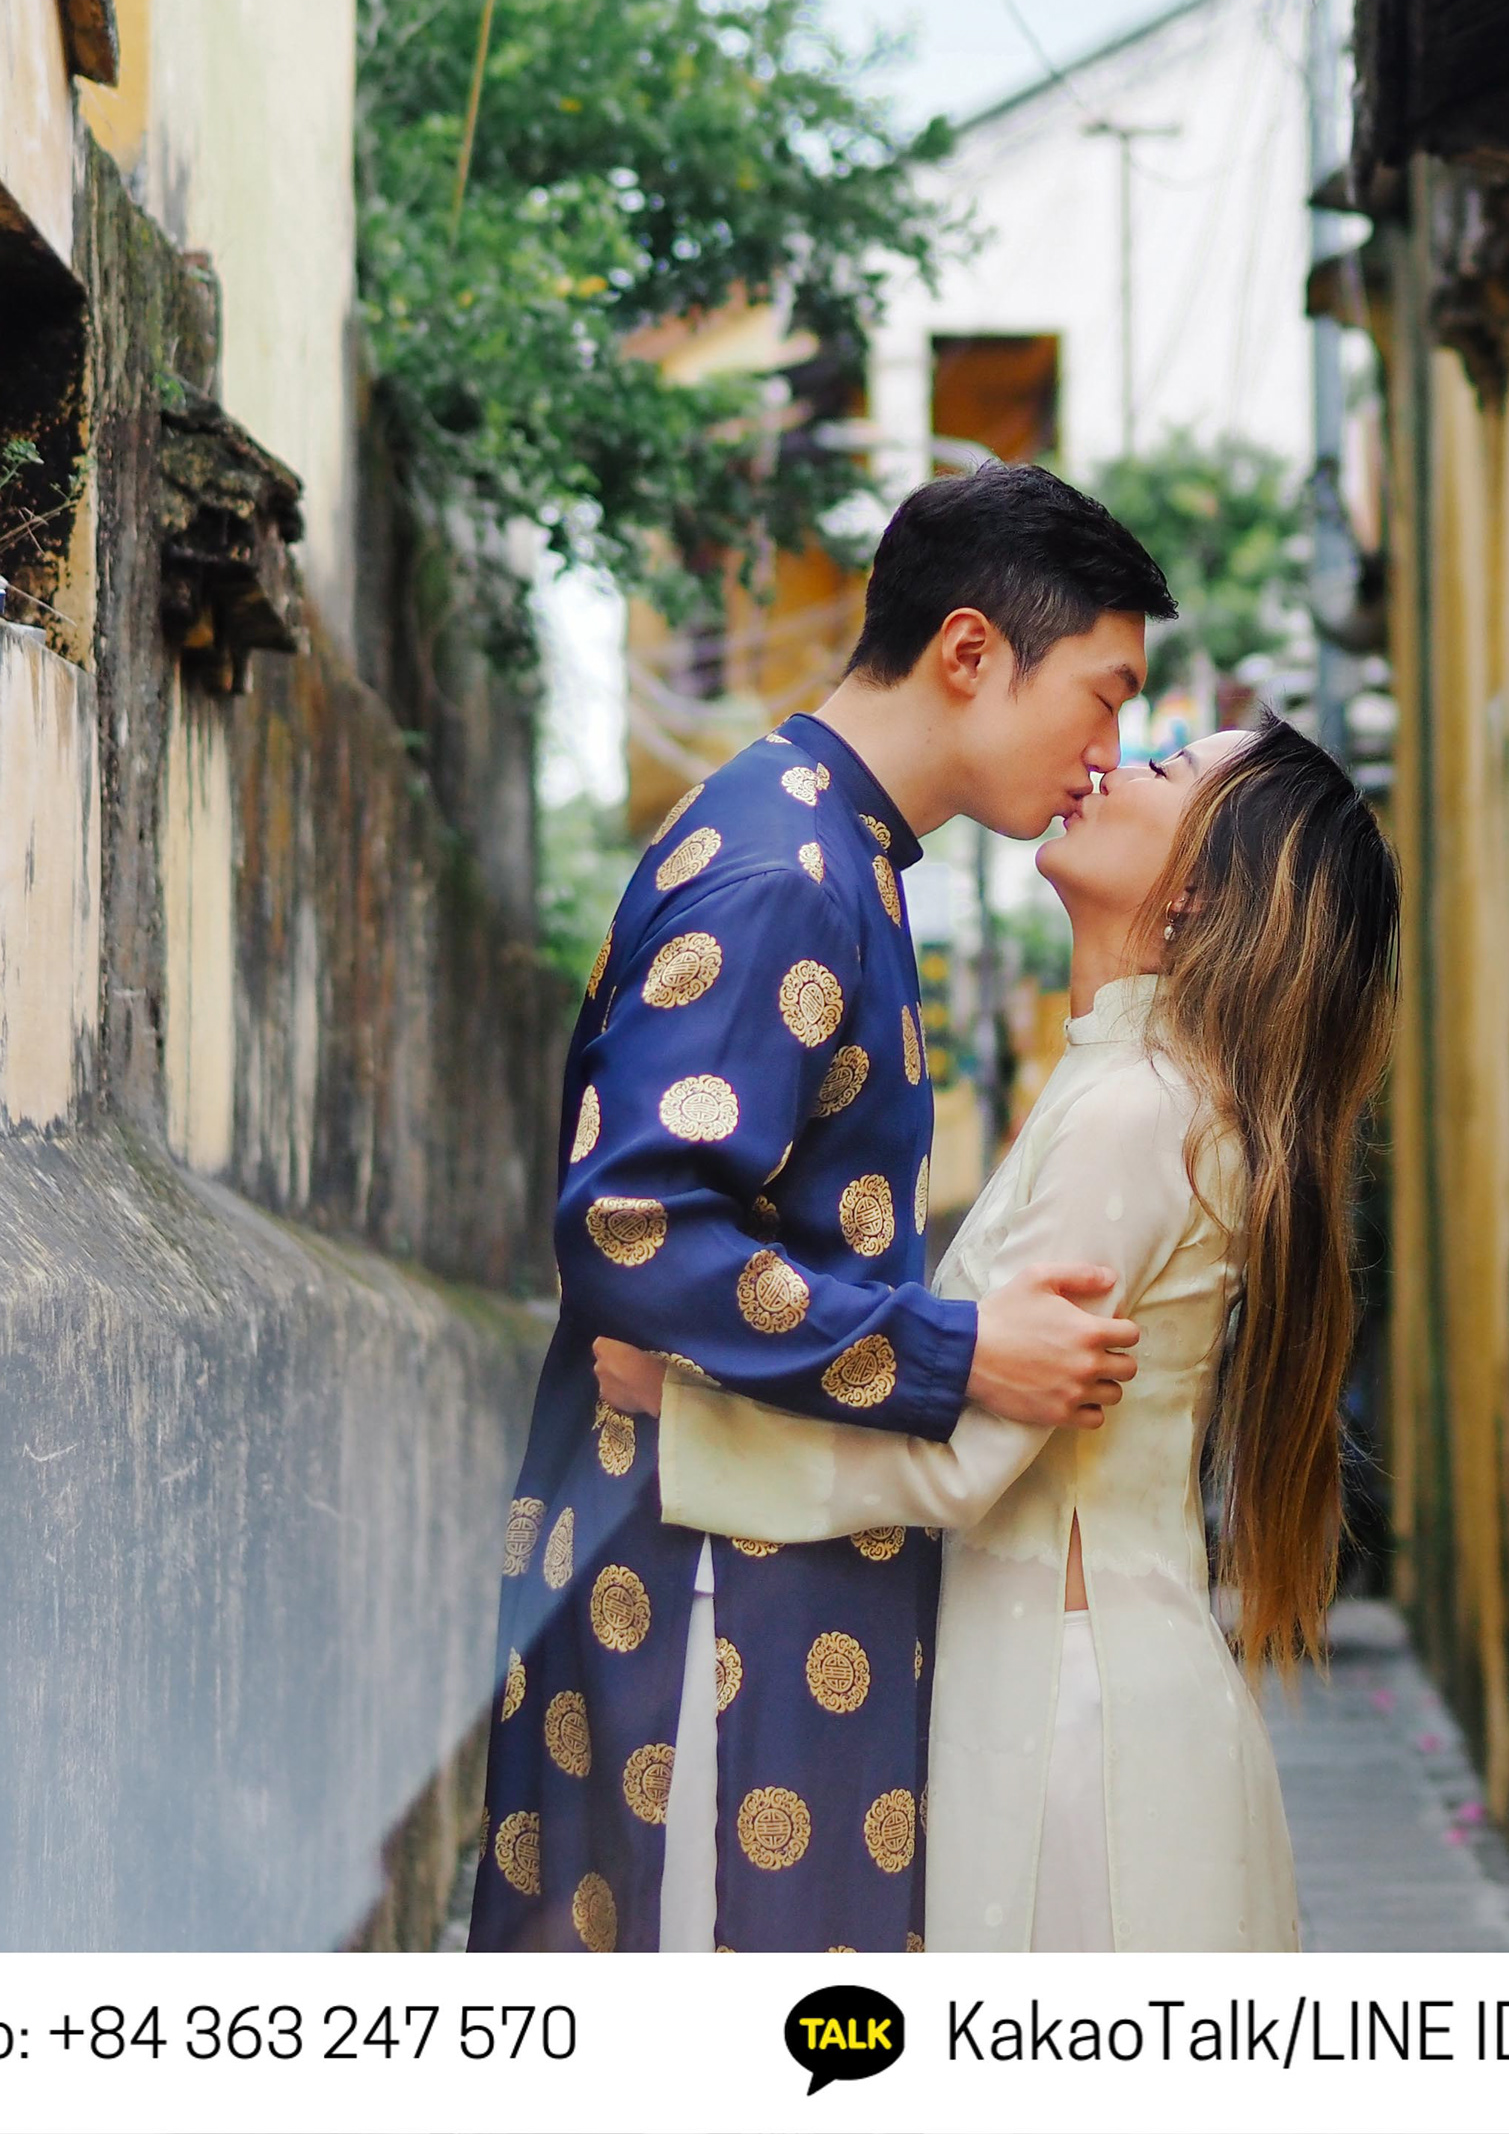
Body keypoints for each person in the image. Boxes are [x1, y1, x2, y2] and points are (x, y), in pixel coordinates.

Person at [474, 465, 1177, 1955]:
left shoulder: (831, 846)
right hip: (703, 1605)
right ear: (972, 650)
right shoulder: (788, 871)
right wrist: (958, 1356)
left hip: (756, 1571)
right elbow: (636, 1230)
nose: (1108, 754)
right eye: (1104, 697)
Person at [595, 719, 1400, 1949]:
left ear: (1200, 887)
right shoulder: (1133, 1089)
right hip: (1075, 1686)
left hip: (1073, 1722)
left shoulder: (1136, 1110)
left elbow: (968, 1458)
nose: (1114, 764)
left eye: (1166, 767)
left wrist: (682, 1414)